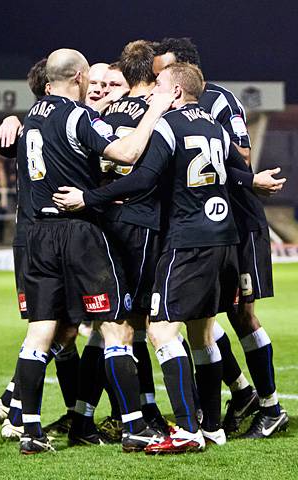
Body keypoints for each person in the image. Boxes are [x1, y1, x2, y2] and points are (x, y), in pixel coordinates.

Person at [52, 63, 285, 453]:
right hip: (223, 240)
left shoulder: (168, 123)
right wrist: (254, 180)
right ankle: (212, 427)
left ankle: (189, 430)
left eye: (159, 85)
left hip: (187, 241)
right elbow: (231, 169)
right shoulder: (211, 121)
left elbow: (141, 178)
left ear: (175, 92)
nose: (154, 91)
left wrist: (88, 197)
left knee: (161, 330)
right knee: (202, 333)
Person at [17, 48, 173, 455]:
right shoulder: (76, 116)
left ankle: (29, 431)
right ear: (81, 76)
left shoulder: (30, 117)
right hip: (78, 233)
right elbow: (126, 153)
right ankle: (134, 426)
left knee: (41, 330)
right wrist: (155, 110)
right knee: (116, 326)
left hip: (37, 234)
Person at [152, 37, 289, 438]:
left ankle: (270, 406)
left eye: (163, 72)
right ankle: (237, 397)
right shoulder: (166, 106)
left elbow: (241, 157)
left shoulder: (219, 102)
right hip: (204, 227)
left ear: (184, 73)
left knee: (240, 314)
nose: (157, 79)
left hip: (237, 220)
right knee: (201, 318)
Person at [0, 58, 80, 442]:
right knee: (53, 326)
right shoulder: (54, 122)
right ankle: (22, 410)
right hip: (42, 238)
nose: (96, 88)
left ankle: (19, 404)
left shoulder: (48, 121)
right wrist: (13, 120)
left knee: (63, 327)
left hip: (48, 236)